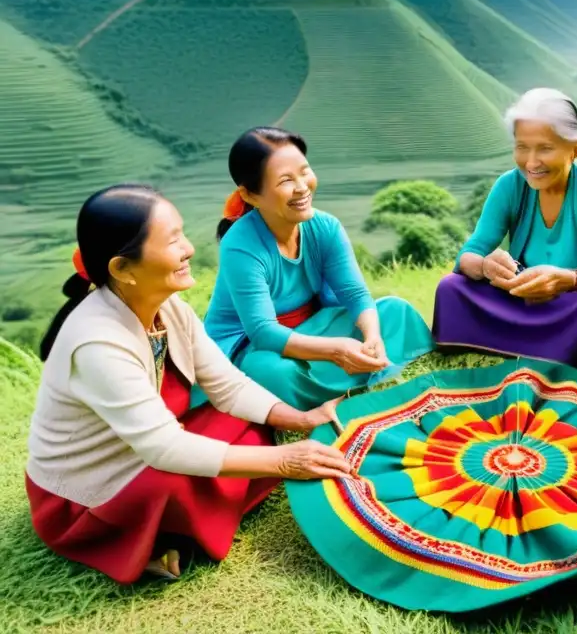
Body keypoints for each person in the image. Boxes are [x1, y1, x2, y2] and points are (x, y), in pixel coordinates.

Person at [26, 185, 353, 584]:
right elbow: (164, 448)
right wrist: (286, 461)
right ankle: (149, 536)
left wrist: (301, 419)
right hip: (92, 487)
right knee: (172, 481)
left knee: (250, 425)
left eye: (182, 233)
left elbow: (227, 385)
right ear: (122, 269)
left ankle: (197, 516)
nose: (188, 249)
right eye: (172, 241)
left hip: (151, 441)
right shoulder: (96, 343)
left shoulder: (169, 306)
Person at [202, 127, 434, 411]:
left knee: (396, 312)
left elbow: (354, 293)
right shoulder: (239, 245)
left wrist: (372, 337)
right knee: (274, 373)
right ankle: (360, 377)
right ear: (250, 194)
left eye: (305, 171)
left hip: (316, 326)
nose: (302, 187)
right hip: (255, 346)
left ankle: (359, 368)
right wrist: (336, 352)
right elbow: (263, 332)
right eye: (286, 180)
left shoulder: (325, 226)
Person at [432, 88, 577, 376]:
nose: (531, 163)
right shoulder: (509, 185)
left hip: (576, 297)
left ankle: (518, 343)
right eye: (522, 147)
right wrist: (485, 266)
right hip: (521, 292)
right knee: (450, 288)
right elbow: (467, 256)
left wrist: (566, 280)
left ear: (576, 148)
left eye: (545, 148)